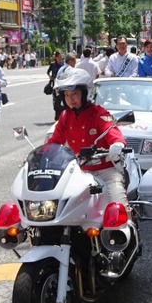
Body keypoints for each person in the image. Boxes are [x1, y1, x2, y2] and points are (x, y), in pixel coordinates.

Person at [46, 68, 128, 206]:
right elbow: (54, 141)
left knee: (118, 206)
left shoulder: (98, 113)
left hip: (104, 170)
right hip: (77, 171)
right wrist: (41, 156)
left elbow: (111, 131)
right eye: (66, 95)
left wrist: (117, 144)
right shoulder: (65, 116)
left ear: (86, 93)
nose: (70, 99)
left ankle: (125, 225)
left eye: (75, 94)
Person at [47, 51, 64, 121]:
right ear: (56, 57)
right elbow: (48, 71)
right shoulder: (53, 65)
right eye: (59, 57)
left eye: (61, 57)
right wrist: (50, 76)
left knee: (62, 99)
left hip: (62, 84)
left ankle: (61, 113)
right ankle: (57, 113)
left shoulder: (63, 64)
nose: (61, 58)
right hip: (55, 84)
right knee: (56, 99)